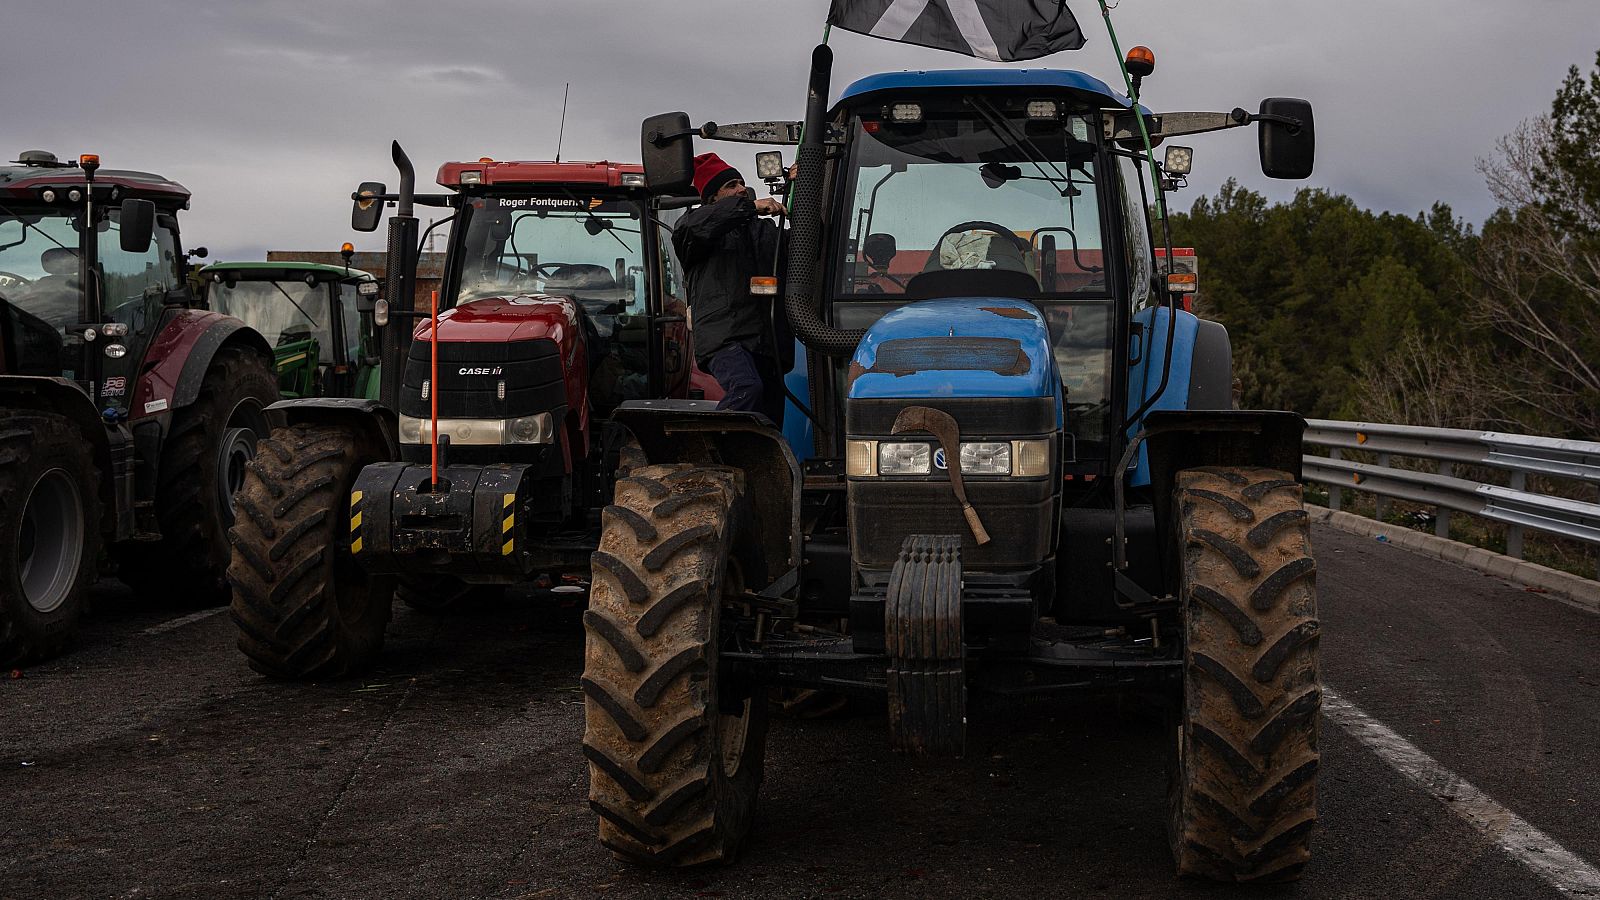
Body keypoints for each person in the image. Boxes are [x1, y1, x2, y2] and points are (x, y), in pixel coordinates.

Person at [672, 152, 787, 426]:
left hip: (765, 342)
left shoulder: (764, 232)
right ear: (712, 198)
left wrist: (803, 186)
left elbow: (807, 248)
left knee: (770, 415)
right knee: (747, 387)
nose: (741, 190)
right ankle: (717, 450)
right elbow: (703, 224)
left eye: (742, 184)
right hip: (725, 339)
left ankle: (761, 466)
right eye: (731, 185)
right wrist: (750, 207)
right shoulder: (692, 231)